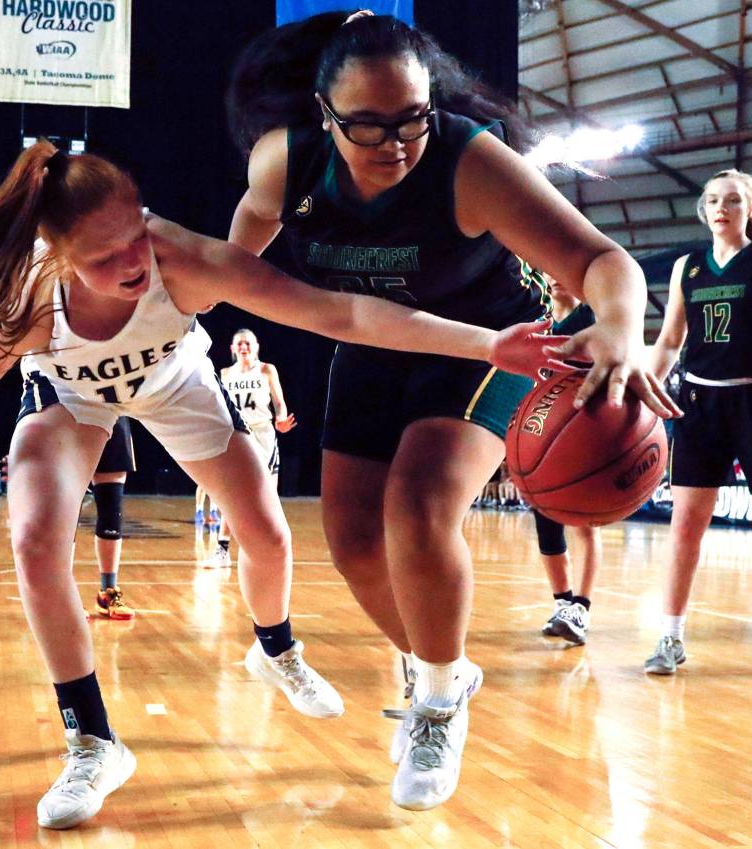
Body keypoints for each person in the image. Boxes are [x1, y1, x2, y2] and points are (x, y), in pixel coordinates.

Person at [0, 140, 562, 829]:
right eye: (102, 258)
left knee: (268, 535)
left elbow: (340, 314)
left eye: (133, 239)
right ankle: (92, 740)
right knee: (33, 541)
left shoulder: (185, 262)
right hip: (73, 397)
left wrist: (485, 344)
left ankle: (276, 650)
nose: (131, 264)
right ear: (56, 254)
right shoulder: (27, 299)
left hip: (177, 384)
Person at [226, 10, 678, 810]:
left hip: (496, 337)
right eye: (369, 126)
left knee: (420, 504)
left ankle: (435, 702)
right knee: (352, 541)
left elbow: (604, 259)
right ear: (325, 116)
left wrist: (617, 327)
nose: (397, 142)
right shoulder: (283, 166)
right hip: (377, 336)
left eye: (413, 118)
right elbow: (244, 246)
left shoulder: (470, 163)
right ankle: (446, 667)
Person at [643, 168, 752, 679]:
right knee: (683, 530)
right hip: (698, 405)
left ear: (750, 210)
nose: (722, 208)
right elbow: (670, 341)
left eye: (734, 201)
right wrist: (642, 390)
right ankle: (670, 639)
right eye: (714, 200)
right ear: (704, 209)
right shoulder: (686, 267)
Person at [534, 273, 602, 645]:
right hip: (540, 437)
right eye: (549, 270)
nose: (557, 277)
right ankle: (561, 603)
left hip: (582, 433)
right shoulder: (536, 321)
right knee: (546, 528)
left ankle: (582, 607)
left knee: (583, 524)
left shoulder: (593, 318)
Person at [202, 328, 297, 567]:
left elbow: (279, 402)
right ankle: (222, 549)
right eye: (239, 344)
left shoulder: (266, 369)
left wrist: (281, 418)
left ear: (256, 347)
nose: (244, 347)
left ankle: (274, 549)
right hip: (238, 434)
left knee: (268, 497)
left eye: (248, 343)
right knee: (231, 494)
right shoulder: (224, 373)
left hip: (263, 433)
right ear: (233, 349)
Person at [88, 417, 137, 619]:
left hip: (112, 410)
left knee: (111, 511)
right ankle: (63, 593)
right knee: (66, 511)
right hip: (64, 407)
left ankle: (107, 592)